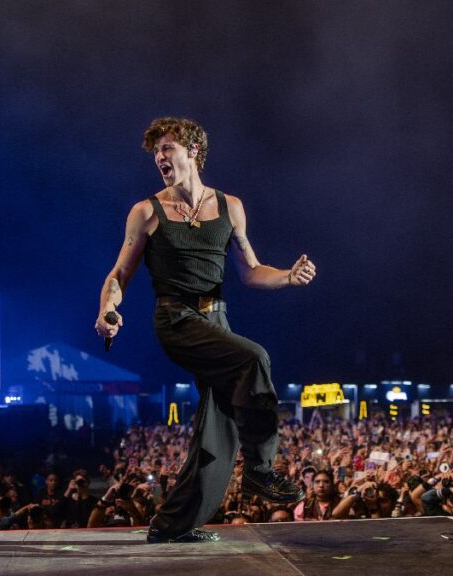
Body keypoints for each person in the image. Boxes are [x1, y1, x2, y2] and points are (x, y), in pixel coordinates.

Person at [94, 117, 317, 543]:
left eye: (168, 147)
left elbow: (251, 272)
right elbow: (119, 274)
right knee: (255, 358)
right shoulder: (146, 211)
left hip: (217, 320)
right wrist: (108, 309)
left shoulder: (230, 207)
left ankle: (172, 525)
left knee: (220, 426)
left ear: (193, 150)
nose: (160, 156)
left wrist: (288, 275)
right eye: (156, 151)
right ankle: (260, 471)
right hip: (176, 319)